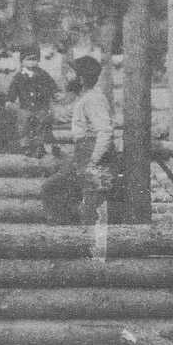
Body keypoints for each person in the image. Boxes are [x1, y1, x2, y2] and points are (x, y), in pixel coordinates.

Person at [41, 56, 119, 225]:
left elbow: (105, 131)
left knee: (91, 211)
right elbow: (66, 114)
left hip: (96, 160)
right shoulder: (83, 98)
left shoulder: (94, 99)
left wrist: (93, 160)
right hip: (83, 156)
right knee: (52, 188)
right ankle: (68, 237)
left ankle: (79, 240)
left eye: (71, 72)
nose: (67, 76)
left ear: (81, 79)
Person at [6, 45, 61, 158]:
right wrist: (9, 100)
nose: (31, 62)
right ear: (22, 61)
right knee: (26, 126)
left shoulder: (43, 74)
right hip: (26, 107)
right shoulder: (19, 77)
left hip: (41, 107)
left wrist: (55, 93)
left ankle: (41, 147)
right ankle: (27, 148)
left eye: (34, 59)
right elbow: (13, 89)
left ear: (38, 60)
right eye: (28, 59)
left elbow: (52, 86)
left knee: (42, 126)